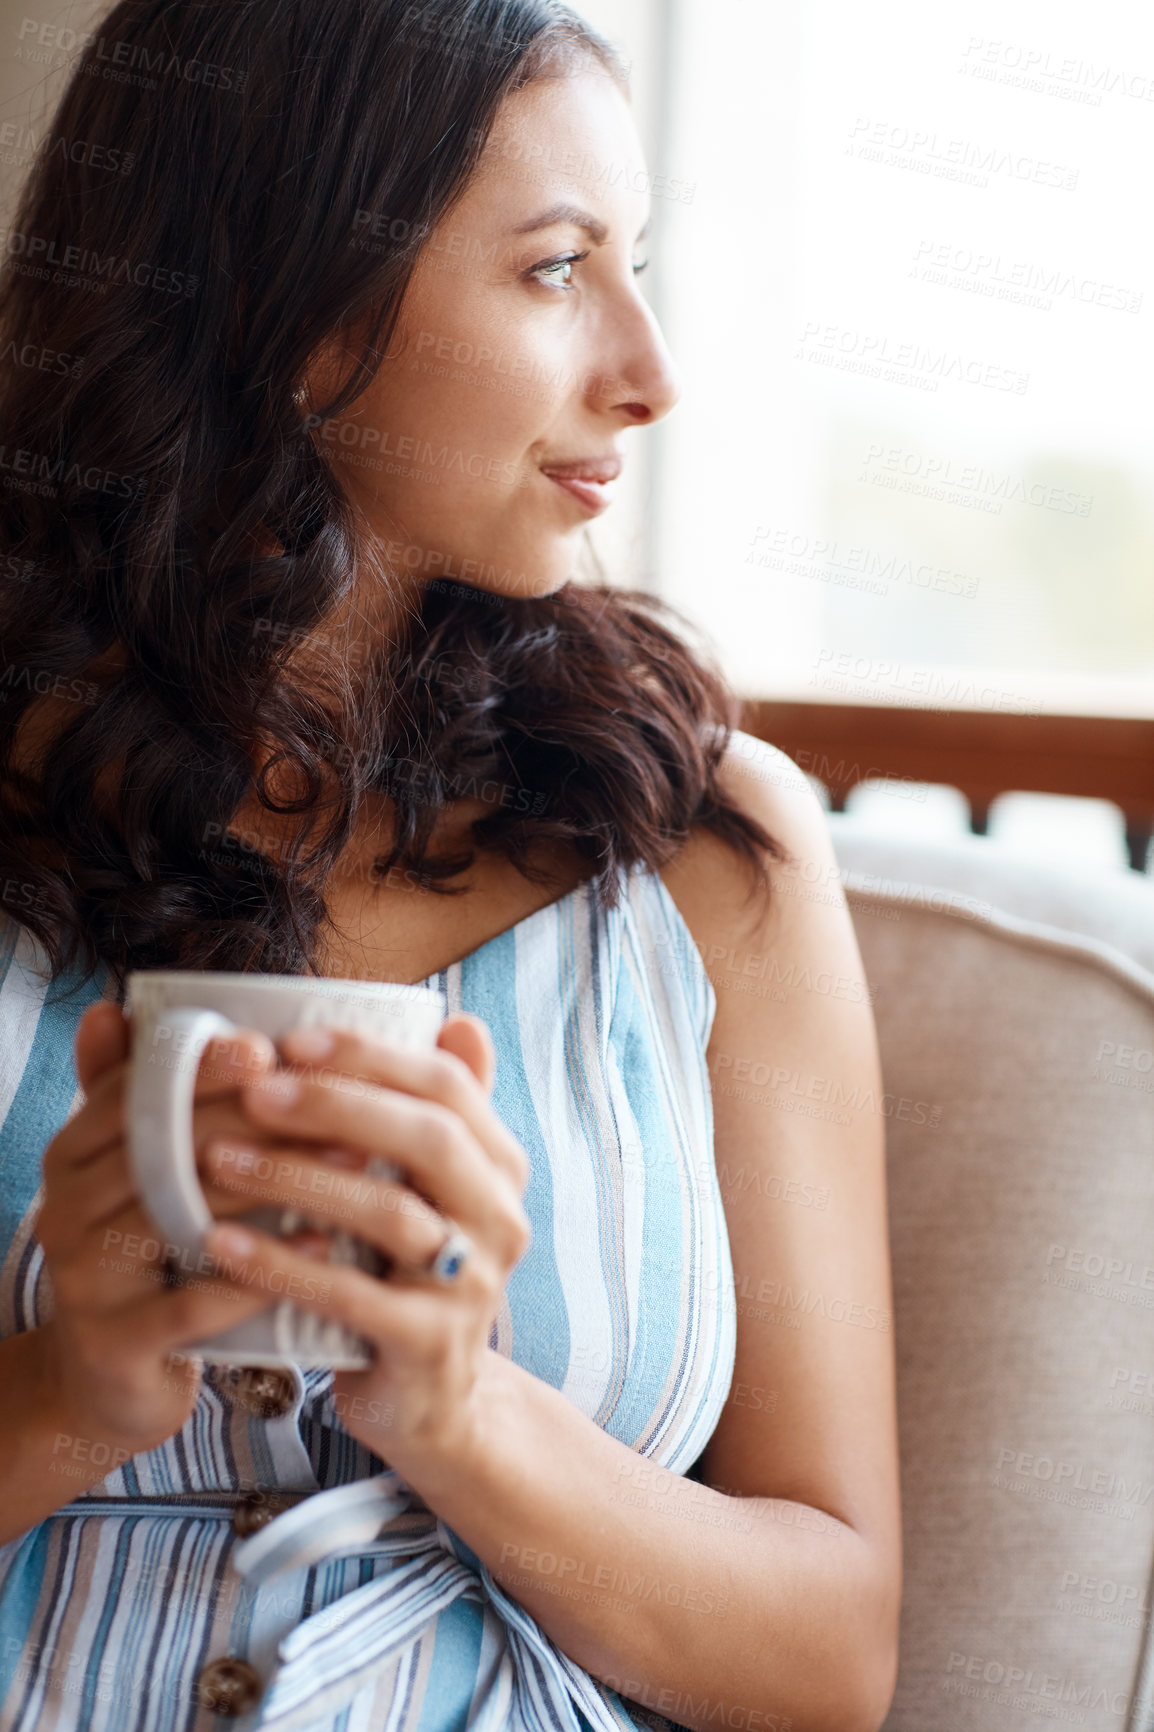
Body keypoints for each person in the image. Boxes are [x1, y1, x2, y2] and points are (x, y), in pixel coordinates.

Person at [0, 2, 902, 1728]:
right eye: (557, 269)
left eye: (628, 263)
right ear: (286, 303)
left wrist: (462, 1407)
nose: (648, 369)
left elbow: (829, 1664)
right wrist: (67, 1388)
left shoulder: (709, 850)